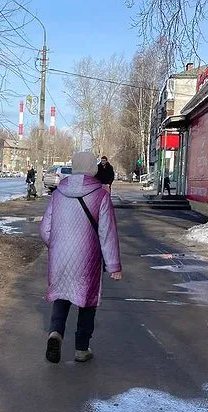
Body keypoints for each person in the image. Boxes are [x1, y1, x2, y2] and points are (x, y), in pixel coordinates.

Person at [40, 151, 122, 364]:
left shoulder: (58, 193)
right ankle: (81, 349)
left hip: (60, 258)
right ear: (93, 168)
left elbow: (44, 229)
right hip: (88, 258)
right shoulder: (101, 195)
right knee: (87, 301)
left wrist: (56, 246)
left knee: (62, 295)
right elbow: (107, 233)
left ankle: (55, 333)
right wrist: (113, 265)